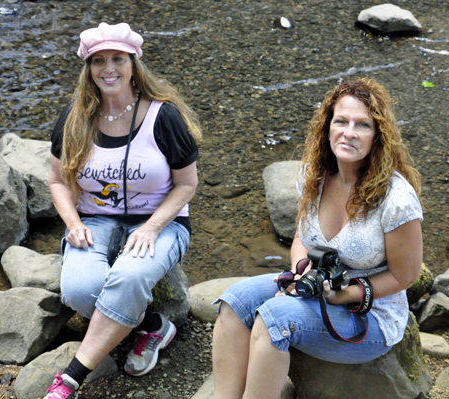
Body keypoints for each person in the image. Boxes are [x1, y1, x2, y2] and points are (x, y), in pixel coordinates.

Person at [211, 78, 423, 399]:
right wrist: (300, 273)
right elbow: (300, 236)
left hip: (370, 313)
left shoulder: (396, 200)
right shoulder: (315, 176)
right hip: (316, 288)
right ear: (327, 126)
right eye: (341, 121)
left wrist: (346, 294)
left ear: (378, 136)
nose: (349, 132)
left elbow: (405, 275)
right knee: (234, 300)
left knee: (273, 320)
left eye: (362, 125)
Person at [44, 22, 201, 399]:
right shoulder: (75, 116)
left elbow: (187, 184)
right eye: (99, 61)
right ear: (89, 68)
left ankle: (69, 379)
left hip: (160, 221)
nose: (108, 68)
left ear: (133, 65)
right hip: (94, 218)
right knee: (81, 292)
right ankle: (154, 326)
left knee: (128, 279)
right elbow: (56, 180)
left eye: (117, 59)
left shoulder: (163, 116)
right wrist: (73, 222)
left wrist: (151, 227)